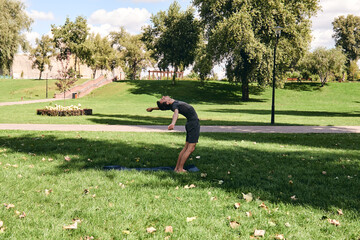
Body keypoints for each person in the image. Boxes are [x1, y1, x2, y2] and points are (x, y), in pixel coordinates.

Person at [146, 96, 200, 173]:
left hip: (191, 124)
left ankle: (177, 168)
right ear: (167, 102)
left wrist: (152, 108)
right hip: (193, 124)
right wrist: (173, 123)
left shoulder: (172, 104)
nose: (163, 97)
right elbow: (176, 114)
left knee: (186, 148)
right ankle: (180, 169)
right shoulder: (175, 105)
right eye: (163, 99)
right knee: (190, 148)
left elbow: (163, 108)